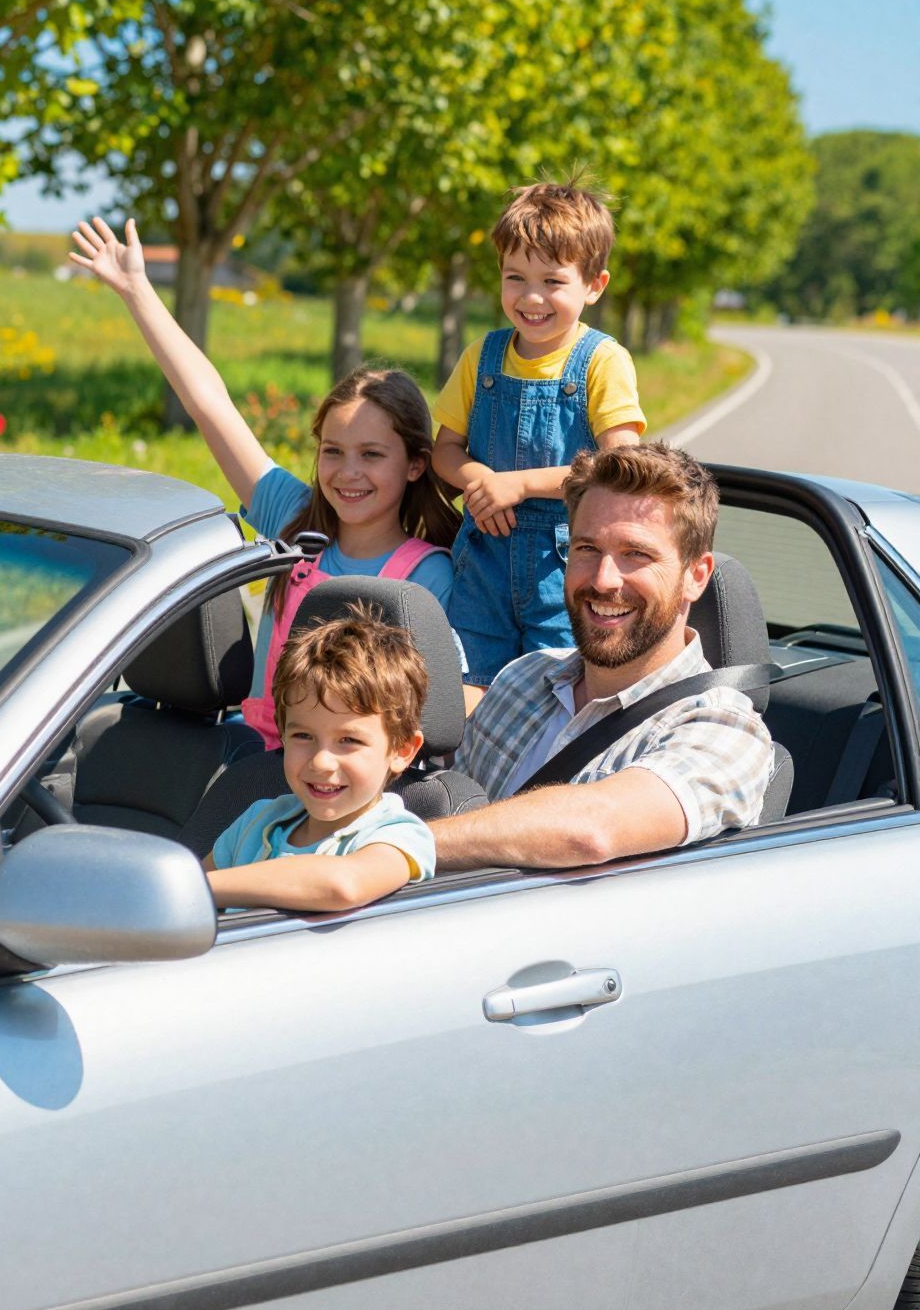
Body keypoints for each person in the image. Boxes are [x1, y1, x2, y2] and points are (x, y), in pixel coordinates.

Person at [69, 216, 460, 747]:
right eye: (332, 452)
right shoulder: (293, 520)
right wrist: (138, 290)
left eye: (371, 455)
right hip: (254, 761)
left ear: (416, 464)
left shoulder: (428, 578)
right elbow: (209, 405)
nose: (347, 473)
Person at [429, 442, 774, 872]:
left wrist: (392, 850)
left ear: (695, 575)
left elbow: (591, 829)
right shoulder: (522, 678)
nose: (604, 580)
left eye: (636, 554)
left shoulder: (725, 730)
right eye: (587, 549)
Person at [432, 179, 645, 689]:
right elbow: (444, 449)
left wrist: (519, 485)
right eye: (514, 277)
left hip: (567, 563)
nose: (531, 297)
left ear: (594, 285)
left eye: (553, 281)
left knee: (556, 688)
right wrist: (479, 478)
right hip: (482, 559)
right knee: (470, 682)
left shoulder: (601, 361)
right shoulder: (481, 356)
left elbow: (619, 465)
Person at [205, 607, 436, 912]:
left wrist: (205, 888)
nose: (321, 762)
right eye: (303, 736)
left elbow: (341, 886)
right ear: (283, 734)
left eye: (349, 740)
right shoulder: (258, 821)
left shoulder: (399, 835)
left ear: (402, 750)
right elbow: (183, 895)